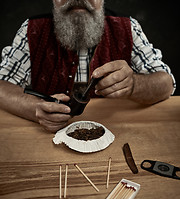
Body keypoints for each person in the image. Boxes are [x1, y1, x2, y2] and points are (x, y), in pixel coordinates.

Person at [0, 0, 176, 132]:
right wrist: (34, 108)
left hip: (115, 133)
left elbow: (166, 83)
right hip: (46, 137)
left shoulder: (128, 27)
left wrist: (134, 85)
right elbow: (2, 85)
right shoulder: (32, 29)